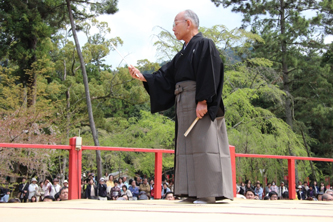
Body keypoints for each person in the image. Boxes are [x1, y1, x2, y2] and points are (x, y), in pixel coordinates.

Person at [128, 9, 233, 204]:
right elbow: (165, 77)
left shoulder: (204, 44)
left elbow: (210, 72)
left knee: (204, 145)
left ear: (188, 23)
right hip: (182, 101)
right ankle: (191, 192)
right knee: (185, 148)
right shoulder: (182, 53)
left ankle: (208, 194)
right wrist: (143, 77)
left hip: (197, 101)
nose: (173, 28)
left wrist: (203, 101)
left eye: (175, 23)